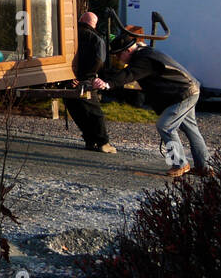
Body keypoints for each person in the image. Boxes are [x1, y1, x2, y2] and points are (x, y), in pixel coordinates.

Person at [94, 31, 212, 178]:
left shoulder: (143, 60)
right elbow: (128, 73)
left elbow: (129, 74)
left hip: (183, 94)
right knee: (191, 130)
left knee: (165, 126)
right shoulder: (145, 53)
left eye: (118, 54)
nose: (117, 58)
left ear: (128, 50)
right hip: (188, 89)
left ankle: (180, 164)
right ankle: (204, 168)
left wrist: (107, 84)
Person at [67, 11, 116, 153]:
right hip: (86, 79)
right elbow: (99, 60)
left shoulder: (69, 35)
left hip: (68, 80)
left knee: (77, 111)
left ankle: (89, 140)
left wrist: (71, 77)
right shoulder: (95, 38)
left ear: (81, 20)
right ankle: (103, 142)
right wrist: (88, 77)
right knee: (95, 112)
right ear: (94, 24)